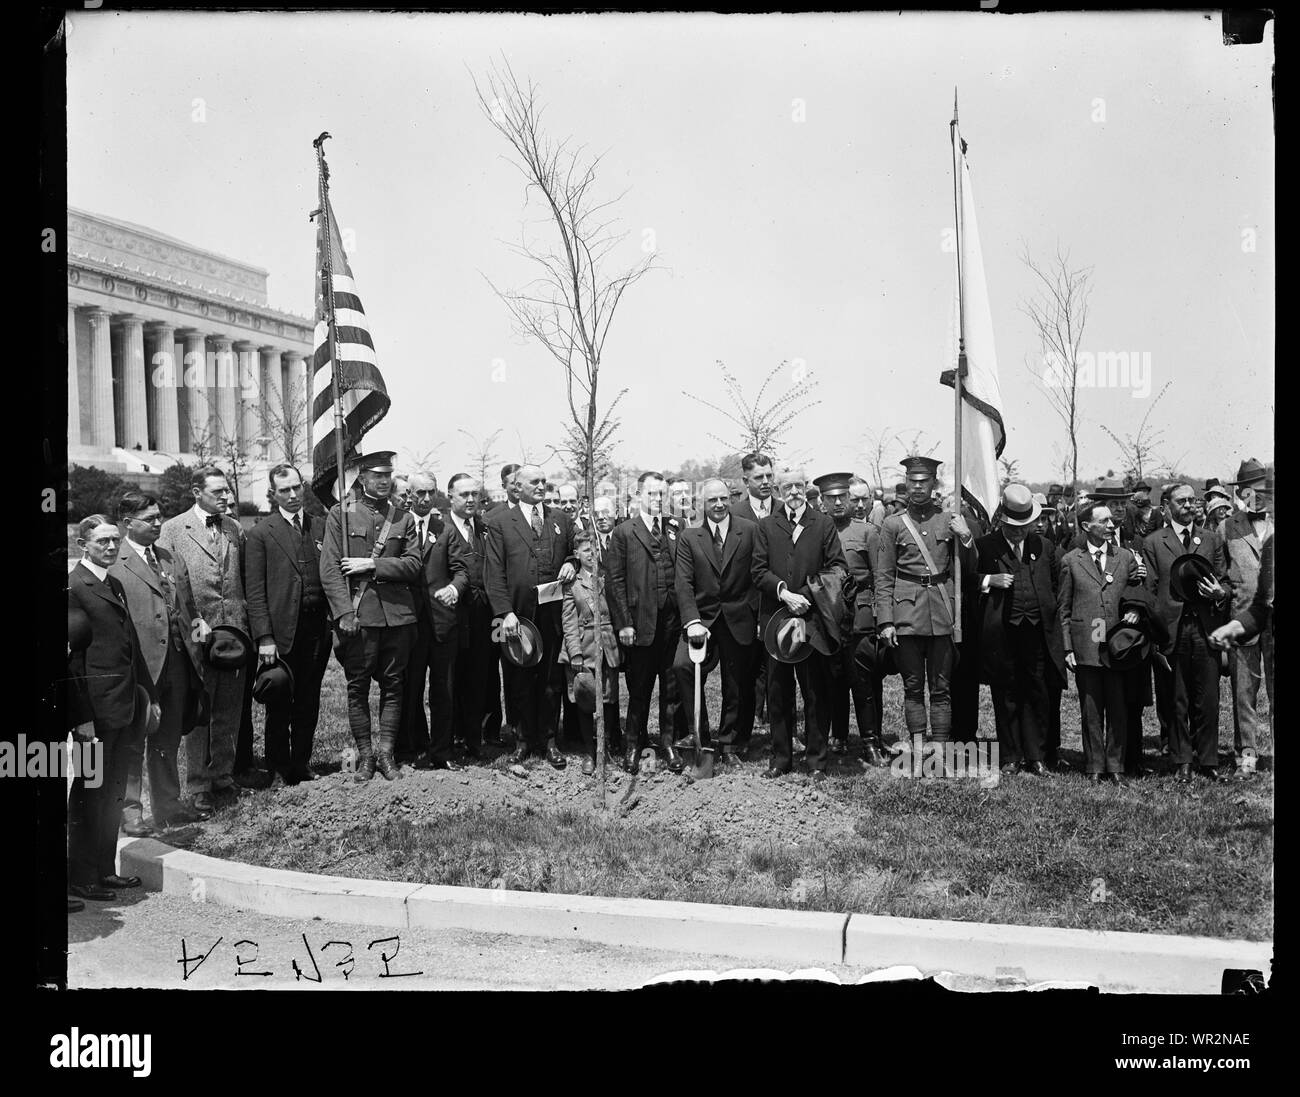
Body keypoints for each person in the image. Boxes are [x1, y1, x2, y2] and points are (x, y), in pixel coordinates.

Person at [67, 516, 155, 901]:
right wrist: (81, 717)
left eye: (115, 540)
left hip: (123, 705)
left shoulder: (112, 582)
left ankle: (104, 870)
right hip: (95, 712)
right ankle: (80, 876)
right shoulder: (74, 587)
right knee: (90, 794)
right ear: (83, 543)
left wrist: (147, 697)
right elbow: (73, 663)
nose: (111, 546)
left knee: (113, 791)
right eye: (102, 541)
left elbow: (130, 645)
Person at [320, 451, 422, 781]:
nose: (383, 481)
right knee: (357, 688)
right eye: (376, 475)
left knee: (394, 687)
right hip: (359, 618)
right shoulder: (342, 514)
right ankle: (365, 756)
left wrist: (373, 565)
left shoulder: (402, 518)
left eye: (387, 475)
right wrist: (344, 613)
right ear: (361, 478)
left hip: (398, 617)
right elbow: (330, 570)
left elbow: (413, 565)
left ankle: (387, 755)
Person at [110, 491, 206, 830]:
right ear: (126, 523)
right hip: (140, 666)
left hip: (178, 661)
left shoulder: (169, 557)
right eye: (149, 519)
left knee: (167, 737)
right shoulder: (114, 563)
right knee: (135, 736)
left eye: (158, 516)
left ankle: (167, 804)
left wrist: (197, 637)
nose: (158, 523)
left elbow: (190, 607)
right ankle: (130, 811)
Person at [157, 465, 249, 815]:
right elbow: (166, 584)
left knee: (230, 704)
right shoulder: (173, 529)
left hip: (233, 632)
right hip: (196, 631)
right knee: (201, 709)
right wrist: (191, 626)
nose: (226, 497)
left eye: (227, 491)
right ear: (197, 492)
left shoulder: (234, 528)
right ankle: (198, 784)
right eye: (218, 492)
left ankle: (223, 775)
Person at [752, 467, 847, 779]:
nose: (793, 491)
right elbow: (758, 570)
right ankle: (781, 758)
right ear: (779, 491)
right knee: (779, 691)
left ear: (806, 488)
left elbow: (837, 567)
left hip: (812, 620)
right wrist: (784, 593)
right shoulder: (766, 526)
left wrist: (805, 594)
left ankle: (817, 760)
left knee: (815, 692)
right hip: (776, 621)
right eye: (787, 486)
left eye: (798, 486)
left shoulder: (822, 524)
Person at [875, 457, 974, 747]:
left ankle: (940, 751)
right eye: (913, 481)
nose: (917, 487)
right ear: (906, 483)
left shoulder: (949, 520)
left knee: (941, 689)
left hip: (942, 613)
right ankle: (918, 750)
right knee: (913, 688)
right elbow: (883, 576)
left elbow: (966, 568)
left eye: (924, 481)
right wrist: (886, 621)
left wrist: (966, 537)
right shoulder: (893, 524)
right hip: (906, 615)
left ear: (934, 484)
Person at [483, 463, 577, 768]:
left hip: (553, 613)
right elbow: (493, 573)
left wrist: (572, 563)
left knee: (551, 678)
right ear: (517, 487)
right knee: (517, 675)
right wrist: (504, 612)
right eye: (534, 482)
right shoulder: (498, 522)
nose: (541, 486)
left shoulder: (560, 518)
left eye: (544, 481)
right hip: (516, 615)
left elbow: (577, 549)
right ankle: (521, 739)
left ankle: (549, 739)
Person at [243, 465, 331, 787]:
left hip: (316, 631)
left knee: (309, 700)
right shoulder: (261, 534)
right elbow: (254, 592)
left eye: (297, 487)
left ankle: (301, 764)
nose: (293, 495)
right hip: (280, 634)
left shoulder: (321, 527)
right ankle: (278, 767)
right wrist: (265, 637)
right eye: (285, 490)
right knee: (280, 701)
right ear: (273, 493)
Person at [971, 486, 1066, 775]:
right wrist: (989, 579)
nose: (1018, 533)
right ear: (1002, 522)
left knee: (1037, 690)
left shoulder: (1044, 546)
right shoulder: (986, 546)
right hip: (1002, 632)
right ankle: (1010, 755)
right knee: (1007, 692)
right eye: (1012, 528)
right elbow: (966, 580)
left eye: (1023, 527)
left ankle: (1036, 754)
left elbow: (1055, 583)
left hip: (1037, 632)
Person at [1141, 483, 1233, 782]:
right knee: (1176, 696)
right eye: (1182, 501)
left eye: (1193, 500)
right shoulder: (1154, 542)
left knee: (1207, 697)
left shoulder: (1209, 539)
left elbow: (1226, 581)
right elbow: (1150, 591)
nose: (1189, 505)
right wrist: (1156, 634)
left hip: (1206, 627)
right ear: (1166, 506)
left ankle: (1208, 760)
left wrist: (1220, 593)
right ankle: (1182, 760)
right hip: (1173, 629)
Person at [1058, 501, 1149, 782]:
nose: (1112, 525)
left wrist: (1135, 609)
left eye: (1112, 521)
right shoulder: (1071, 561)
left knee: (1118, 708)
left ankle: (1116, 766)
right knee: (1091, 709)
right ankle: (1094, 766)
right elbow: (1064, 609)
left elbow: (1138, 592)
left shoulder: (1125, 557)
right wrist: (1068, 648)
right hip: (1086, 646)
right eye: (1105, 521)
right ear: (1087, 527)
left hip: (1118, 647)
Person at [672, 478, 755, 777]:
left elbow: (756, 575)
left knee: (735, 683)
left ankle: (729, 744)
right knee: (682, 666)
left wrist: (754, 614)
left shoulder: (748, 530)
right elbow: (683, 582)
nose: (719, 505)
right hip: (702, 619)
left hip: (738, 617)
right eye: (712, 501)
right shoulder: (690, 537)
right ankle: (700, 735)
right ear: (702, 504)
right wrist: (693, 621)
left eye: (723, 499)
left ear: (730, 499)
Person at [608, 471, 684, 773]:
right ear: (639, 495)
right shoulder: (625, 532)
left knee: (672, 688)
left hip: (672, 624)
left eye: (661, 494)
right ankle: (633, 745)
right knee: (639, 690)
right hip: (639, 624)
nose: (657, 499)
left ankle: (667, 743)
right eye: (651, 494)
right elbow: (615, 581)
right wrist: (624, 623)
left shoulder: (675, 528)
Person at [816, 472, 887, 765]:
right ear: (822, 502)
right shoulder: (816, 532)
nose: (837, 503)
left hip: (860, 616)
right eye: (830, 499)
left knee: (863, 682)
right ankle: (839, 737)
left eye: (842, 497)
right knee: (833, 681)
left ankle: (871, 740)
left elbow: (882, 577)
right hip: (829, 618)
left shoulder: (867, 532)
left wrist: (883, 620)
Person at [405, 471, 468, 770]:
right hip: (408, 623)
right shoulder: (398, 525)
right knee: (410, 688)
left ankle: (442, 751)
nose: (426, 499)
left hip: (443, 623)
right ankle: (416, 747)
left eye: (431, 492)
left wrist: (454, 588)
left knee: (443, 689)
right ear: (408, 494)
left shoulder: (445, 529)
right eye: (420, 493)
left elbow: (462, 570)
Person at [1221, 473, 1273, 777]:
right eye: (1252, 491)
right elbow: (1221, 576)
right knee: (1244, 693)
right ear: (1241, 493)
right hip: (1244, 621)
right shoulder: (1227, 527)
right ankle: (1247, 758)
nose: (1261, 496)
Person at [559, 529, 623, 775]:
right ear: (576, 554)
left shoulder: (607, 578)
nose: (592, 554)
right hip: (583, 648)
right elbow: (568, 621)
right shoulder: (572, 583)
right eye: (586, 550)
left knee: (607, 699)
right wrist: (575, 654)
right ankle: (589, 751)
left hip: (606, 646)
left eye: (595, 549)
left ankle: (604, 749)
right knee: (586, 700)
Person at [444, 474, 496, 758]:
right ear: (450, 495)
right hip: (451, 613)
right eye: (464, 494)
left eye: (474, 494)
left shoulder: (484, 528)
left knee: (478, 676)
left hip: (481, 614)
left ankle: (474, 739)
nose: (470, 500)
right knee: (451, 677)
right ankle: (450, 737)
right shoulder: (441, 527)